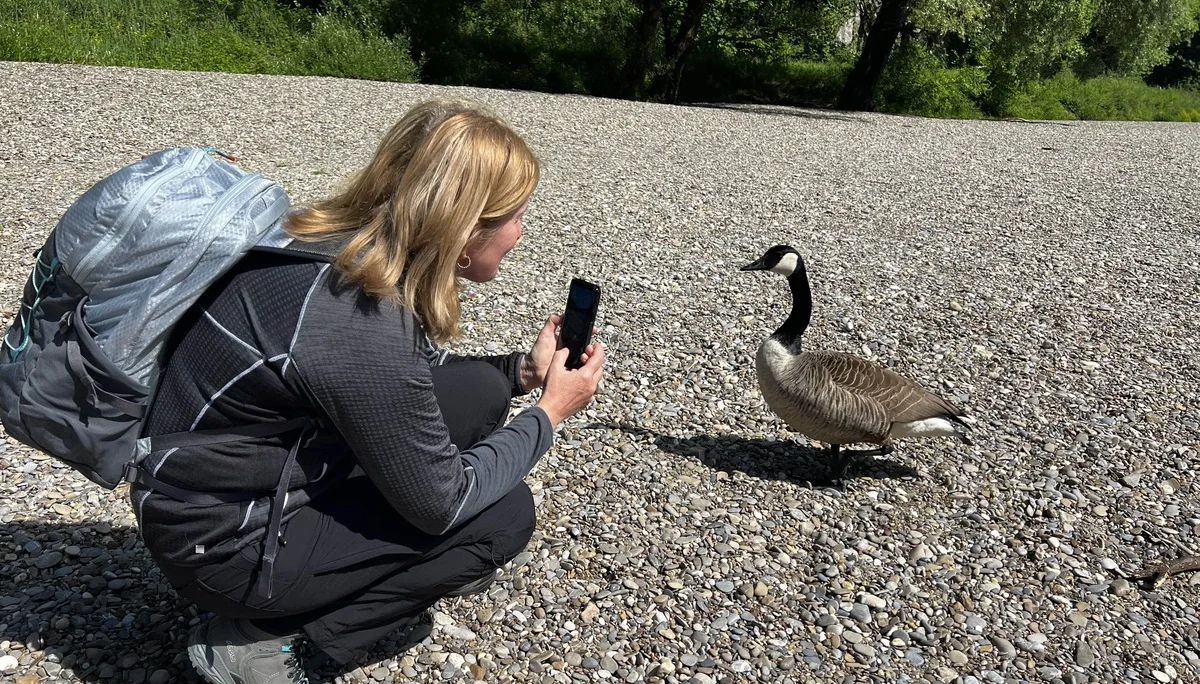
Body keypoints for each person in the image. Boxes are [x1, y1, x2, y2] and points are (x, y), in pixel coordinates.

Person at [130, 99, 605, 684]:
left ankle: (370, 565)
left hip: (201, 486)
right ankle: (269, 648)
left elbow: (402, 377)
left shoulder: (339, 249)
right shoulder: (359, 321)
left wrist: (520, 375)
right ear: (464, 227)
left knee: (482, 389)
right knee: (499, 517)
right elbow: (442, 503)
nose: (520, 233)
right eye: (514, 216)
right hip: (226, 547)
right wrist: (550, 411)